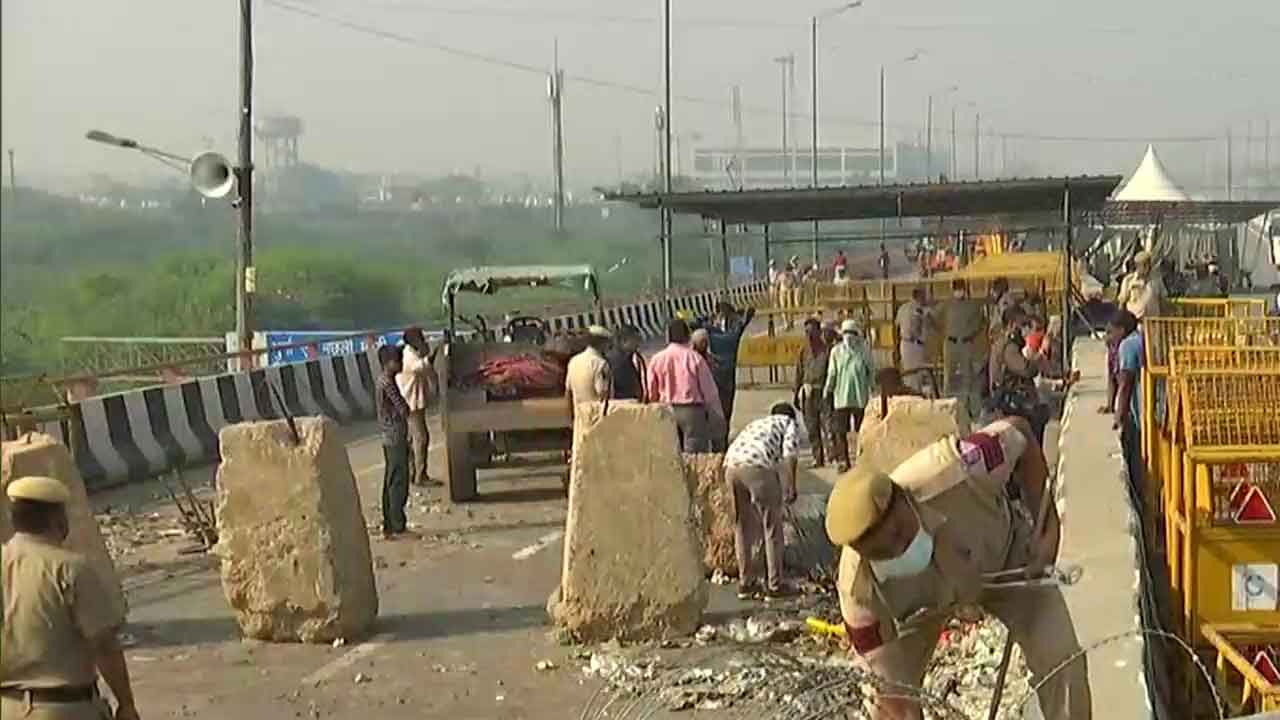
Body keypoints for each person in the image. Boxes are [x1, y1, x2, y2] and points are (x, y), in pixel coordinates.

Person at [825, 418, 1091, 720]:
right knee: (882, 705)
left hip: (1007, 564)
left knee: (1060, 659)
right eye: (883, 552)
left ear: (904, 497)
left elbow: (1022, 434)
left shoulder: (960, 466)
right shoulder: (858, 593)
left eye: (900, 533)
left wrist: (1048, 534)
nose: (899, 549)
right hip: (922, 608)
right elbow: (893, 697)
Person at [1, 476, 141, 720]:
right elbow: (104, 645)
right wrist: (126, 704)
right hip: (63, 709)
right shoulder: (71, 569)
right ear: (57, 519)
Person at [723, 402, 801, 600]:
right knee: (772, 526)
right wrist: (791, 484)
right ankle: (775, 585)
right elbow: (790, 454)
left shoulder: (758, 424)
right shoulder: (788, 423)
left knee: (741, 526)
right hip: (756, 466)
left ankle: (745, 582)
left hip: (731, 466)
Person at [647, 318, 724, 452]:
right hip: (692, 411)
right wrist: (717, 417)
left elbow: (651, 390)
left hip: (666, 409)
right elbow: (710, 392)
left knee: (671, 450)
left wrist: (654, 407)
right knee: (694, 451)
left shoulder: (656, 359)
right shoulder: (694, 358)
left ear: (668, 337)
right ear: (687, 336)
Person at [989, 305, 1050, 446]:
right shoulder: (1008, 347)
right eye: (1022, 325)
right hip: (1012, 406)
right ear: (1011, 325)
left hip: (1012, 403)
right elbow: (1027, 369)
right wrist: (1041, 354)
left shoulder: (1005, 344)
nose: (1025, 330)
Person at [824, 319, 876, 473]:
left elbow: (871, 371)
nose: (848, 336)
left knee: (862, 430)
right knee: (840, 431)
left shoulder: (864, 350)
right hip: (841, 397)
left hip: (860, 397)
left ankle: (862, 460)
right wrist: (828, 390)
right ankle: (843, 460)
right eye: (845, 333)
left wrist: (874, 391)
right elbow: (832, 373)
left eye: (852, 333)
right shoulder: (836, 351)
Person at [704, 301, 756, 445]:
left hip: (716, 374)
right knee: (726, 409)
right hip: (728, 374)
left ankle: (718, 441)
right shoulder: (734, 331)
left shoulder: (712, 331)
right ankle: (723, 440)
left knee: (716, 410)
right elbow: (744, 321)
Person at [376, 344, 414, 539]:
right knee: (399, 479)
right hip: (395, 435)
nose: (400, 363)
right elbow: (403, 408)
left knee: (391, 479)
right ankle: (397, 522)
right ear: (388, 363)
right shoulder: (387, 383)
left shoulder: (385, 380)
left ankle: (389, 522)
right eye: (397, 360)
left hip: (389, 436)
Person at [936, 280, 985, 415]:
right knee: (948, 376)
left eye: (961, 288)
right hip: (950, 343)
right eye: (957, 289)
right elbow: (933, 318)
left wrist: (972, 333)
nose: (959, 291)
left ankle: (966, 409)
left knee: (967, 377)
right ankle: (945, 409)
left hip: (966, 343)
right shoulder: (946, 304)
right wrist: (943, 331)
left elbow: (981, 322)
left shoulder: (972, 305)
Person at [397, 327, 438, 487]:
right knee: (421, 438)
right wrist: (432, 354)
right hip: (410, 402)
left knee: (412, 439)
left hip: (413, 401)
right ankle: (420, 475)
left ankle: (413, 473)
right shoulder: (409, 355)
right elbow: (420, 367)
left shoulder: (413, 352)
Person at [1111, 310, 1144, 488]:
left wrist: (1118, 417)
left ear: (1121, 330)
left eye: (1111, 332)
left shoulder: (1127, 346)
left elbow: (1125, 384)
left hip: (1141, 413)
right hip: (1156, 410)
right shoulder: (1142, 338)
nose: (1109, 337)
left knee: (1138, 463)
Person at [793, 318, 831, 468]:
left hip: (822, 392)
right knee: (811, 427)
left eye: (812, 331)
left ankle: (832, 454)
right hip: (807, 394)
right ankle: (818, 457)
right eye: (806, 332)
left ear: (819, 332)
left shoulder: (827, 351)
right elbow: (799, 373)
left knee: (827, 426)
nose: (809, 335)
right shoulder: (803, 351)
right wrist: (796, 392)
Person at [565, 325, 612, 415]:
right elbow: (603, 394)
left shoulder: (573, 361)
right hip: (596, 418)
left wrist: (571, 418)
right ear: (602, 343)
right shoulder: (600, 364)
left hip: (580, 418)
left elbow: (568, 393)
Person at [895, 288, 934, 394]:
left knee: (909, 374)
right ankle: (914, 397)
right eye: (924, 296)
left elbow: (896, 328)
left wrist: (896, 346)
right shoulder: (919, 309)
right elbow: (921, 326)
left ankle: (911, 396)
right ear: (919, 296)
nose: (925, 299)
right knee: (916, 375)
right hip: (915, 345)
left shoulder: (902, 308)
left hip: (904, 344)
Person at [1118, 250, 1165, 320]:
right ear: (1137, 265)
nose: (1147, 267)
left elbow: (1162, 300)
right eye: (1144, 265)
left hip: (1153, 321)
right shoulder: (1128, 280)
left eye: (1148, 264)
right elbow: (1122, 301)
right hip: (1135, 321)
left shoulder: (1156, 280)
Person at [605, 324, 646, 402]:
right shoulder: (618, 361)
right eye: (636, 340)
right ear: (624, 340)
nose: (638, 344)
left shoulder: (627, 356)